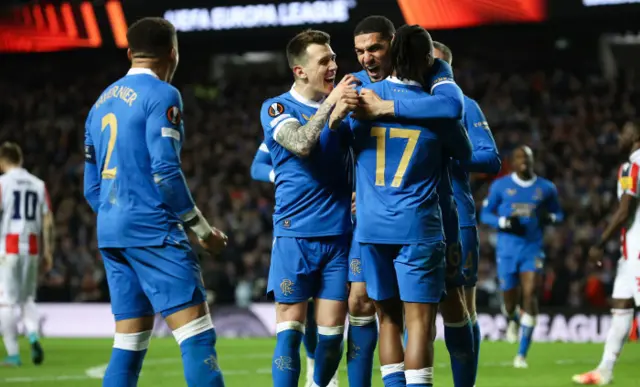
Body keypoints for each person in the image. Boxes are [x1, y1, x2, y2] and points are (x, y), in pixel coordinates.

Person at [83, 17, 227, 386]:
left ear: (130, 53)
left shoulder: (99, 104)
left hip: (112, 233)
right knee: (198, 337)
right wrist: (203, 230)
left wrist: (119, 218)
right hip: (154, 231)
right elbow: (165, 170)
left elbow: (91, 188)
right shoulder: (163, 94)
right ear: (173, 53)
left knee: (129, 345)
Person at [349, 24, 471, 387]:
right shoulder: (439, 113)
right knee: (418, 323)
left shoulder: (362, 98)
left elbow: (334, 144)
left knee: (387, 319)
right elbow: (464, 155)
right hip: (418, 226)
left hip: (371, 228)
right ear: (427, 61)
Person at [259, 29, 358, 387]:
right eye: (324, 60)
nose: (334, 65)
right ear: (300, 71)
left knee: (331, 339)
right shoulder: (277, 107)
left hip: (338, 238)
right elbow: (301, 143)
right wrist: (333, 103)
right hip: (294, 237)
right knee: (290, 333)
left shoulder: (348, 109)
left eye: (334, 58)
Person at [433, 41, 502, 384]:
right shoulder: (404, 101)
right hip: (413, 218)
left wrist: (448, 155)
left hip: (457, 217)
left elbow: (490, 158)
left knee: (464, 307)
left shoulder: (465, 105)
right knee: (412, 311)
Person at [480, 145, 563, 369]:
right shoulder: (501, 186)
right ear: (512, 162)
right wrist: (503, 222)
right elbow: (485, 213)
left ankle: (521, 354)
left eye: (527, 157)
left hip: (532, 249)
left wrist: (551, 218)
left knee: (531, 293)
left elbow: (559, 213)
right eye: (519, 157)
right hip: (507, 251)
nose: (523, 160)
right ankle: (512, 318)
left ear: (533, 160)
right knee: (509, 302)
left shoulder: (546, 188)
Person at [572, 122, 640, 385]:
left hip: (637, 253)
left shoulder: (632, 167)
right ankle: (604, 370)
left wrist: (599, 242)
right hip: (629, 255)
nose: (619, 138)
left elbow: (625, 211)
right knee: (621, 306)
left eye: (623, 133)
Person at [0, 142, 54, 367]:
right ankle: (32, 334)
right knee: (27, 298)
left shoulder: (3, 183)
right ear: (20, 158)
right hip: (32, 247)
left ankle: (13, 354)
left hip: (9, 244)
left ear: (3, 160)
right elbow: (48, 220)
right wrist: (48, 250)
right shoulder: (39, 184)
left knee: (7, 302)